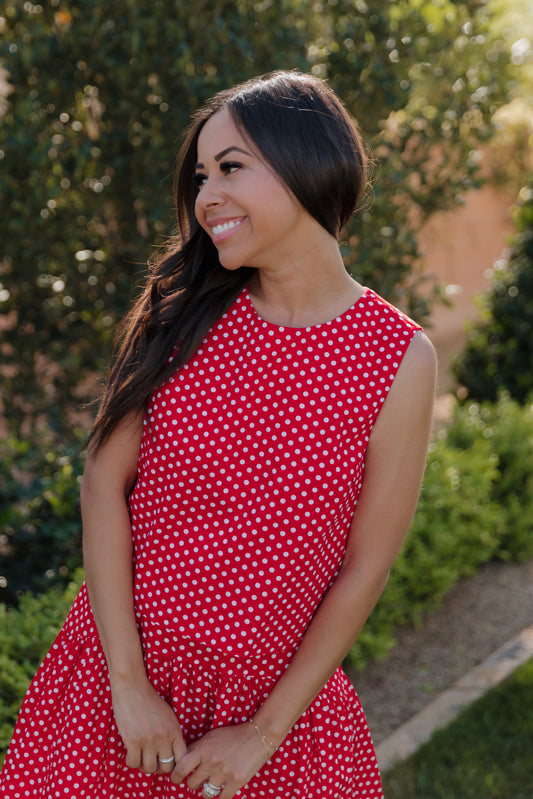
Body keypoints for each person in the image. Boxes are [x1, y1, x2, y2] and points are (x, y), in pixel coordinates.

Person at [0, 70, 436, 799]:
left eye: (231, 168)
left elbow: (365, 565)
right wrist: (128, 687)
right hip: (117, 699)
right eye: (201, 175)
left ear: (308, 161)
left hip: (274, 725)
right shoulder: (182, 316)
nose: (206, 196)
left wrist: (262, 733)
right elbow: (103, 487)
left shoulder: (397, 357)